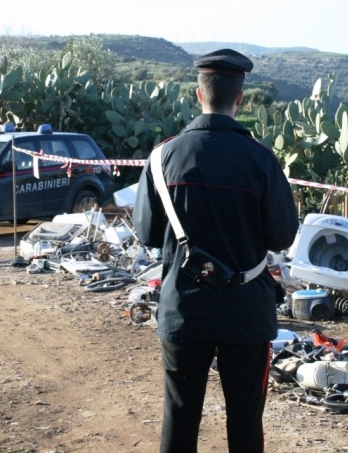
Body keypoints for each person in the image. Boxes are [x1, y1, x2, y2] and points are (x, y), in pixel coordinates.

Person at [132, 48, 299, 453]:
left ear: (197, 94)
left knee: (180, 415)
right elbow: (282, 237)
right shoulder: (261, 160)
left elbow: (148, 233)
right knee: (245, 420)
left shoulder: (161, 158)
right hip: (245, 313)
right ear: (239, 98)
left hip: (184, 309)